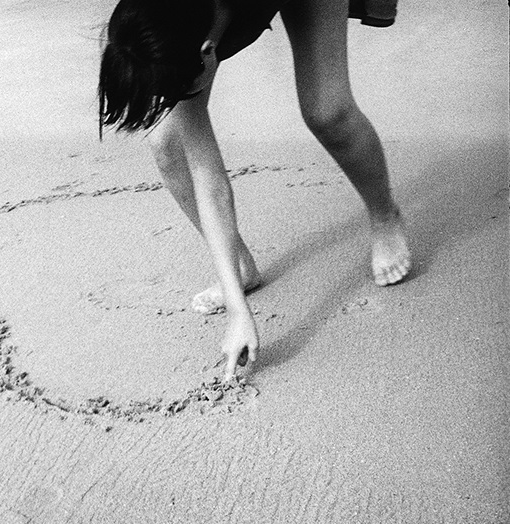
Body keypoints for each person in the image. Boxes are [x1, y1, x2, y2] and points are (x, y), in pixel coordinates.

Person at [98, 0, 411, 380]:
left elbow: (212, 187)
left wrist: (237, 315)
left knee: (327, 111)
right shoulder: (160, 17)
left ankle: (384, 216)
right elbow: (206, 176)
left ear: (208, 51)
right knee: (167, 144)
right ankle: (241, 267)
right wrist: (237, 307)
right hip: (196, 18)